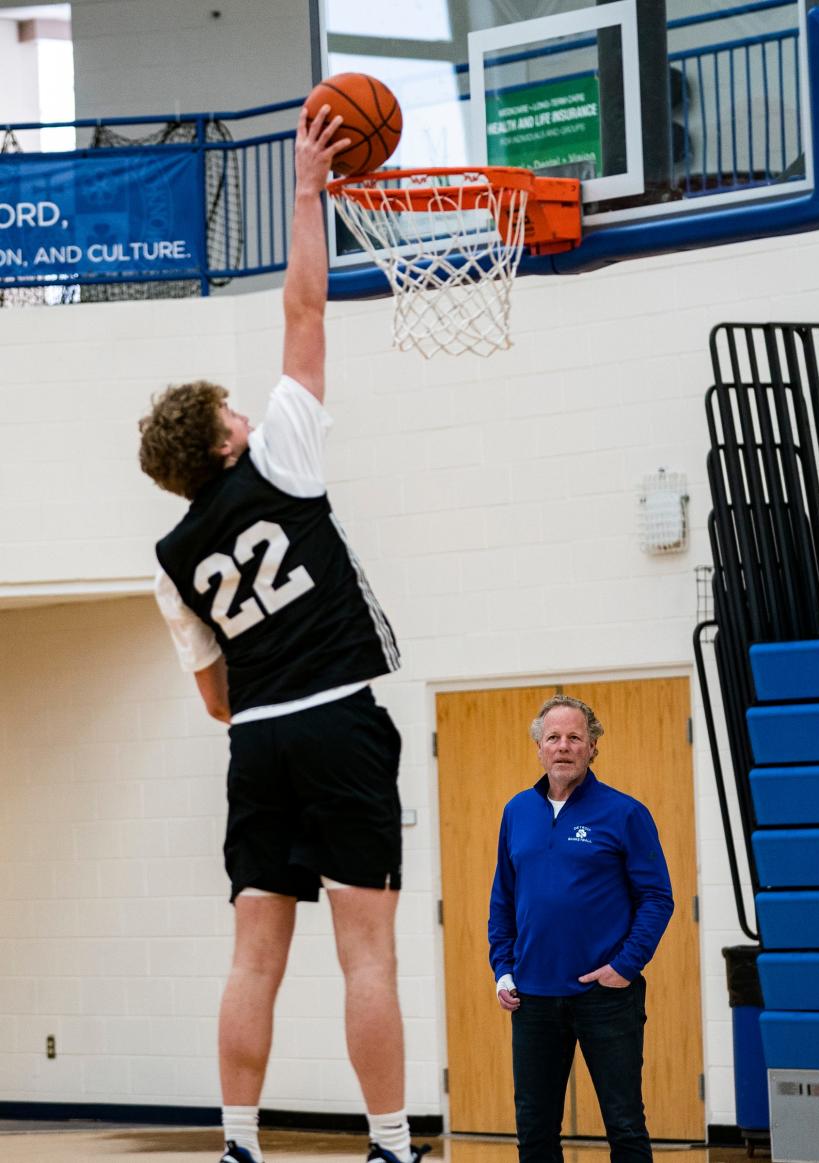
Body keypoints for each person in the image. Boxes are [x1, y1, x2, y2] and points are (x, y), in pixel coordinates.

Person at [138, 104, 428, 1163]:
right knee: (368, 959)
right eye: (238, 414)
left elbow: (213, 697)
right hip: (338, 725)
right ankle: (392, 1144)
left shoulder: (172, 559)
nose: (252, 417)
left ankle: (238, 1144)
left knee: (253, 957)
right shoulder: (282, 459)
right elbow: (305, 305)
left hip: (255, 740)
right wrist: (307, 189)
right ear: (225, 438)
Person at [488, 695, 674, 1163]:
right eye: (554, 737)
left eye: (575, 737)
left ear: (593, 747)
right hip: (532, 998)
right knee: (534, 1129)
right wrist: (503, 968)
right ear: (539, 748)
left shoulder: (625, 813)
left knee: (625, 1125)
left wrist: (625, 966)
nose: (563, 747)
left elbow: (657, 897)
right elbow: (503, 899)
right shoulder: (517, 812)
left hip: (605, 997)